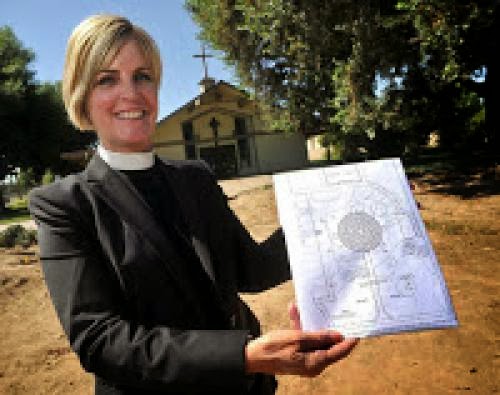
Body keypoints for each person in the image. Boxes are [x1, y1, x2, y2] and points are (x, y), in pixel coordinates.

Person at [28, 14, 358, 395]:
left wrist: (338, 221)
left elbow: (253, 269)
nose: (131, 94)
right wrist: (243, 356)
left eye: (142, 76)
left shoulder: (195, 177)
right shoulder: (64, 206)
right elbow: (100, 340)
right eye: (107, 79)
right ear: (81, 96)